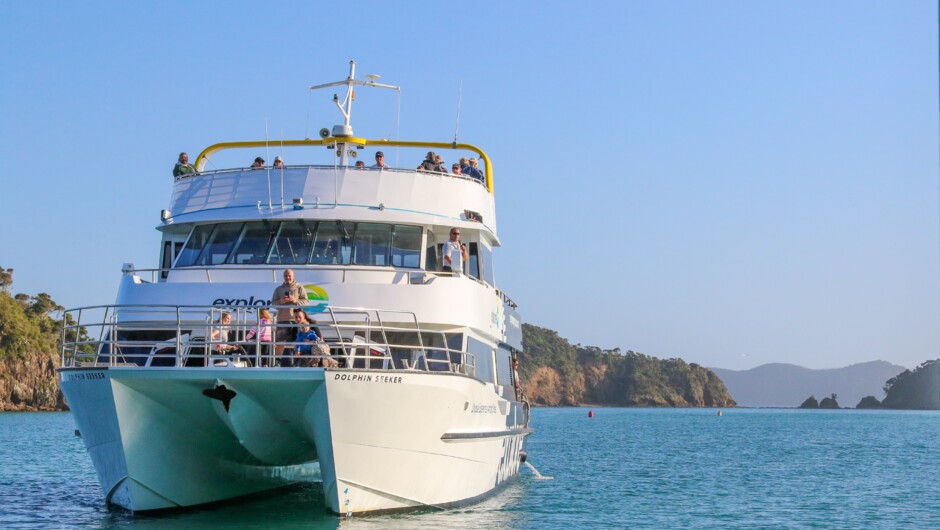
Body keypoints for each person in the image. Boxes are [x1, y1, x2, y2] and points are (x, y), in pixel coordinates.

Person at [271, 269, 309, 360]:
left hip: (297, 319)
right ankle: (277, 361)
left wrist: (295, 301)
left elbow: (306, 302)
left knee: (297, 341)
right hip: (282, 319)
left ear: (293, 276)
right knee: (280, 342)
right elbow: (273, 304)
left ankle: (296, 361)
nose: (287, 277)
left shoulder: (300, 287)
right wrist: (281, 301)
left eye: (289, 276)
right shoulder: (278, 289)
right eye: (285, 276)